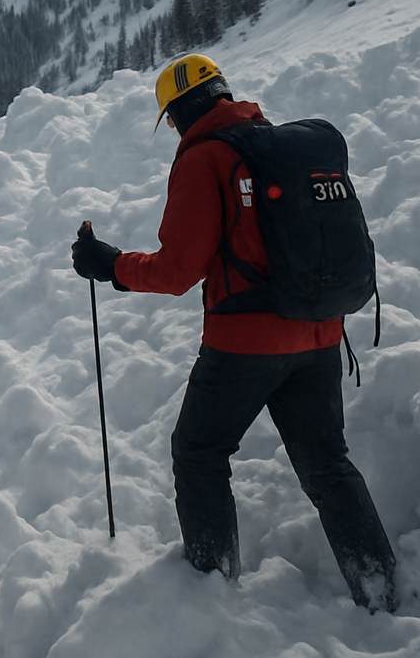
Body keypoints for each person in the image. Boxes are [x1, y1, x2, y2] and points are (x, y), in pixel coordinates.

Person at [70, 55, 397, 612]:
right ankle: (380, 590)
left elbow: (178, 271)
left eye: (171, 120)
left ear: (178, 111)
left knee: (198, 453)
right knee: (327, 464)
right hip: (318, 333)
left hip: (245, 342)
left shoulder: (206, 160)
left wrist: (113, 266)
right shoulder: (277, 148)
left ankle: (211, 591)